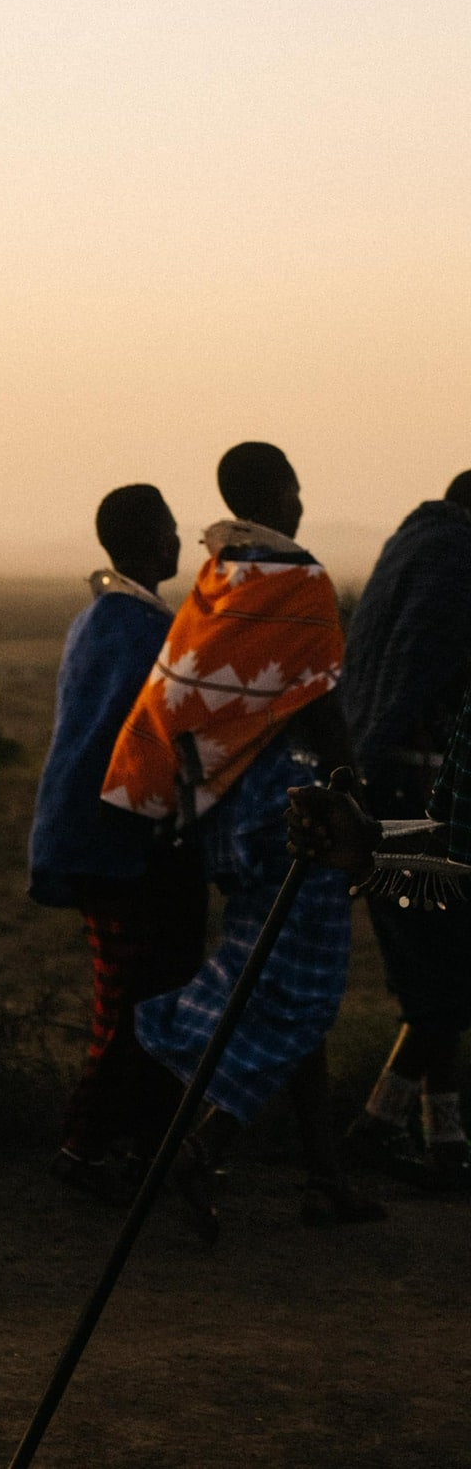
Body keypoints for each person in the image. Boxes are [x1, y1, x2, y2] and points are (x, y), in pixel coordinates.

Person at [102, 441, 379, 1237]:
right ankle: (199, 1136)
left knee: (282, 983)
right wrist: (352, 783)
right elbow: (315, 701)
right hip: (291, 817)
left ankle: (326, 1178)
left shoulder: (222, 577)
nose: (301, 500)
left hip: (226, 814)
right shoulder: (296, 581)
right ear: (275, 495)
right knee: (302, 994)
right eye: (294, 487)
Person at [27, 484, 205, 1195]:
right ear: (145, 539)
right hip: (124, 847)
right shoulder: (140, 630)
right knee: (135, 1002)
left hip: (107, 842)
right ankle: (85, 1146)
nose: (177, 541)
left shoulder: (102, 619)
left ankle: (138, 1148)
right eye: (168, 529)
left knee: (142, 994)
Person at [333, 473, 471, 1188]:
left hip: (387, 788)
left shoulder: (413, 552)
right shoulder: (455, 563)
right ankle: (378, 1126)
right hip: (422, 796)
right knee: (446, 979)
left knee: (435, 973)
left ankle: (443, 1140)